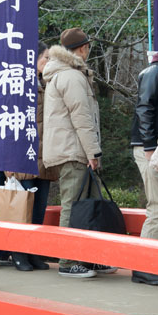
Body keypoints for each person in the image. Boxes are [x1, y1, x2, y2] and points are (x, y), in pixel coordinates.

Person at [42, 28, 108, 278]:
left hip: (72, 148)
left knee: (85, 204)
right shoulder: (71, 76)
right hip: (74, 150)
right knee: (74, 205)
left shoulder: (63, 74)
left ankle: (87, 258)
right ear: (82, 48)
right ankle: (68, 261)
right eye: (88, 47)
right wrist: (94, 151)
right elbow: (82, 118)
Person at [6, 42, 58, 271]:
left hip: (44, 155)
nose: (48, 61)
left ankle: (34, 252)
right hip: (23, 155)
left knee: (39, 209)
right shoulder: (19, 86)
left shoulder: (48, 84)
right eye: (45, 57)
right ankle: (18, 253)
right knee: (22, 210)